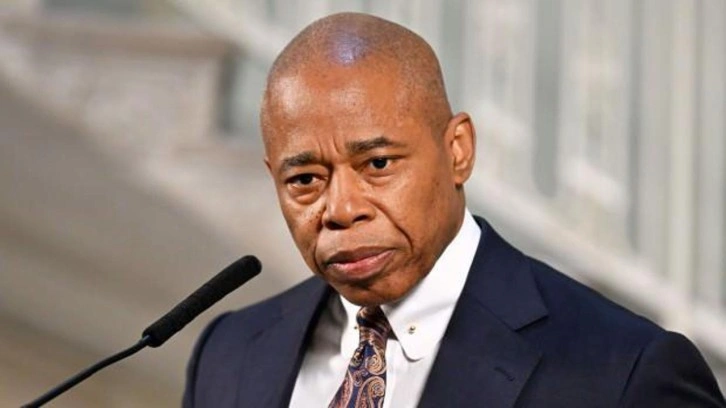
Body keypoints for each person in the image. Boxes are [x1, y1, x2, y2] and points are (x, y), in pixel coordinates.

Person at [182, 12, 726, 408]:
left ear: (458, 151)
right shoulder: (229, 352)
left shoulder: (623, 373)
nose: (341, 209)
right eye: (304, 180)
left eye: (378, 164)